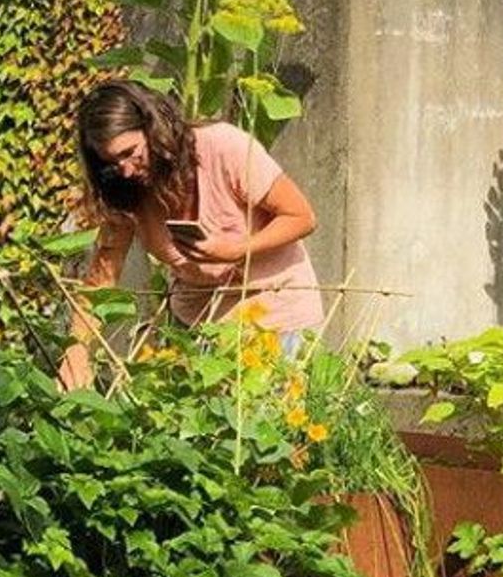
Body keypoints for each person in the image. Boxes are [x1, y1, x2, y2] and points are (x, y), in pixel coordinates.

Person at [59, 79, 323, 390]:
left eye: (130, 153)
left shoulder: (223, 148)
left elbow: (302, 216)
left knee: (272, 430)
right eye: (111, 163)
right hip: (199, 328)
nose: (126, 170)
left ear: (154, 127)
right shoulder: (123, 188)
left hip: (276, 316)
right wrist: (76, 350)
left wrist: (237, 250)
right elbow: (102, 278)